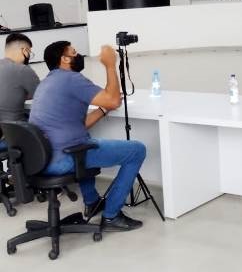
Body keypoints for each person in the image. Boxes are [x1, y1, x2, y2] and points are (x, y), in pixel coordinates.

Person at [29, 41, 146, 231]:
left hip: (41, 159)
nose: (79, 55)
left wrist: (102, 109)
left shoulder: (47, 82)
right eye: (74, 52)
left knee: (85, 142)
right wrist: (110, 64)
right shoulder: (71, 79)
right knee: (137, 150)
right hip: (63, 158)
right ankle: (111, 215)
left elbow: (78, 125)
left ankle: (92, 202)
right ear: (65, 59)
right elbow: (113, 100)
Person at [0, 34, 40, 149]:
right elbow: (40, 95)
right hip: (13, 131)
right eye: (29, 52)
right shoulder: (22, 70)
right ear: (24, 50)